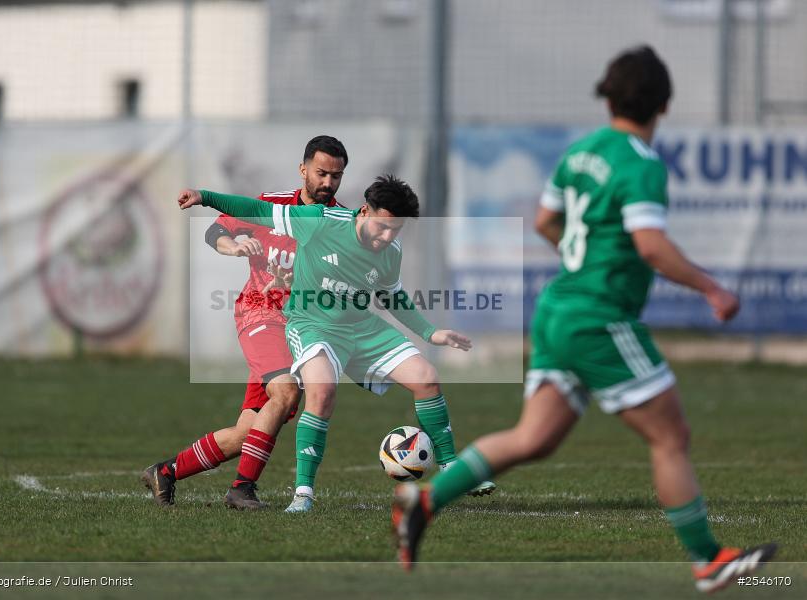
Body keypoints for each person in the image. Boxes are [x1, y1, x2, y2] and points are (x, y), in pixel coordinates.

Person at [391, 46, 776, 593]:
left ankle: (424, 501)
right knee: (671, 435)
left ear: (609, 97)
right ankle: (708, 559)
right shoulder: (640, 164)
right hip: (597, 316)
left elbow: (546, 220)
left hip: (557, 310)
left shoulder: (581, 152)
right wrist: (711, 286)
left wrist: (580, 257)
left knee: (534, 438)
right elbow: (651, 245)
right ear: (662, 104)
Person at [179, 175, 496, 513]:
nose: (387, 237)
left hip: (360, 326)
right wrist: (203, 196)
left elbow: (391, 295)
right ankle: (303, 494)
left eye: (396, 231)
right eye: (383, 226)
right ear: (364, 212)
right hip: (313, 325)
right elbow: (255, 209)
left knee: (426, 377)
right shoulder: (319, 222)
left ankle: (450, 466)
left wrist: (430, 333)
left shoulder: (391, 250)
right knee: (322, 391)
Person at [142, 135, 348, 510]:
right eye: (321, 173)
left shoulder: (338, 222)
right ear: (303, 170)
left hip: (298, 330)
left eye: (336, 177)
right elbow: (215, 232)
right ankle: (241, 489)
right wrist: (234, 246)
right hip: (259, 313)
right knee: (287, 393)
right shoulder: (270, 206)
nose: (327, 184)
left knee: (249, 430)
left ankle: (167, 471)